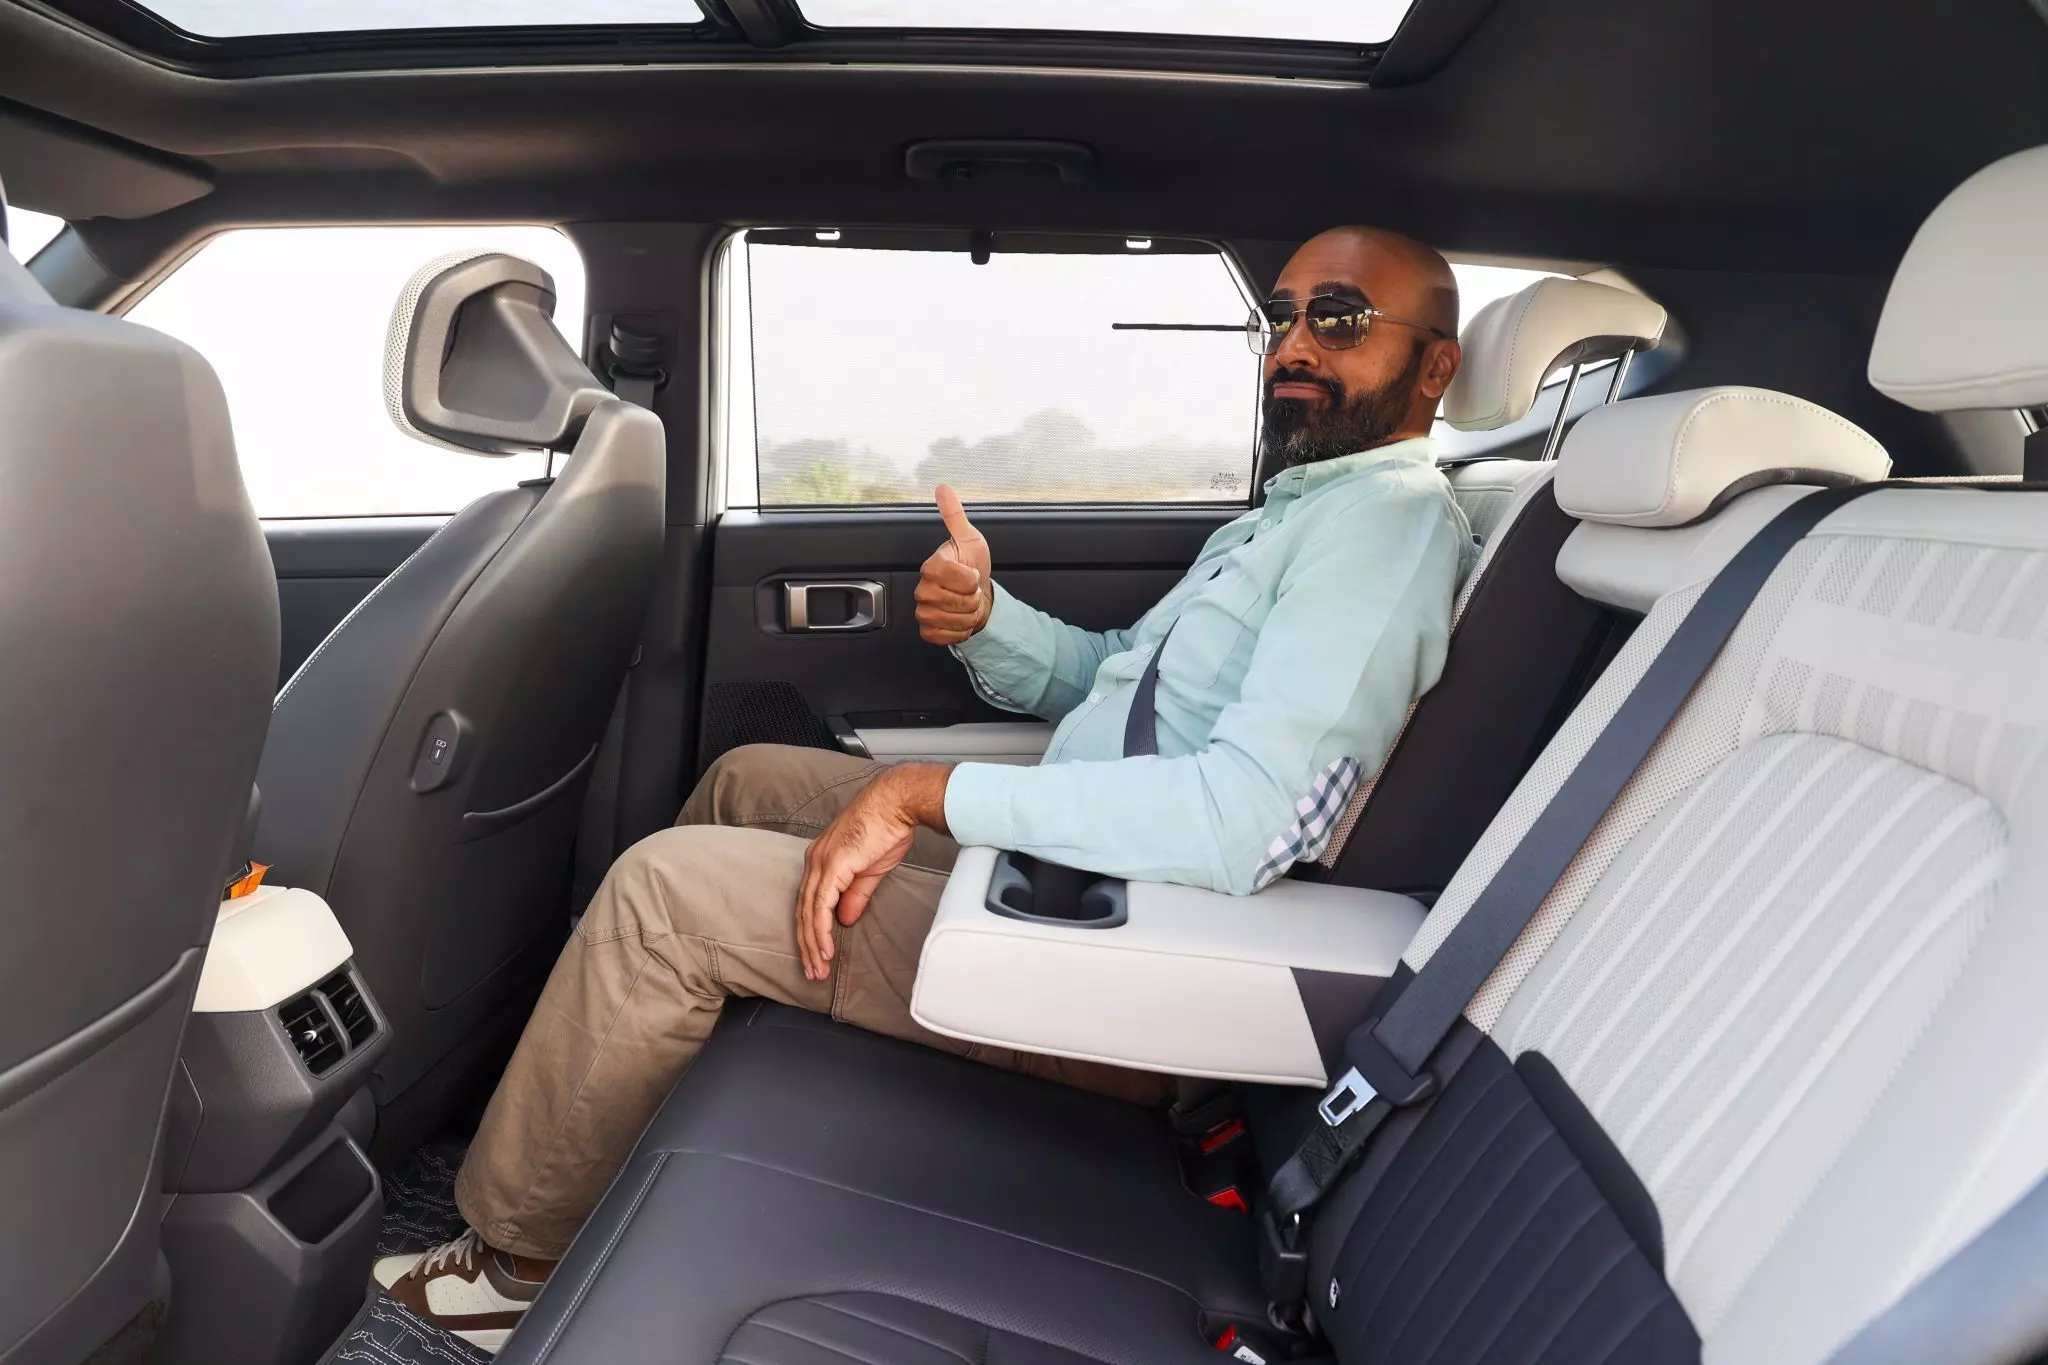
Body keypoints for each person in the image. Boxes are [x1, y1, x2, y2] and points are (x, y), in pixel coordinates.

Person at [374, 226, 1478, 1348]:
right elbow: (1118, 682)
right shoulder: (1291, 516)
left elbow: (1247, 819)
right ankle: (610, 1121)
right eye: (1280, 316)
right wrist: (987, 621)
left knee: (664, 898)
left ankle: (516, 1261)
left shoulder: (1384, 528)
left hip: (1134, 965)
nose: (1293, 344)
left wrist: (924, 794)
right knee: (746, 781)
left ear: (1435, 364)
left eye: (1337, 318)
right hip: (1085, 870)